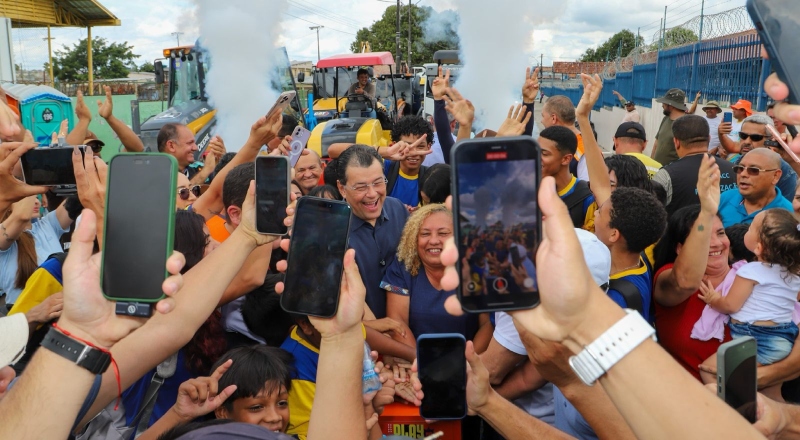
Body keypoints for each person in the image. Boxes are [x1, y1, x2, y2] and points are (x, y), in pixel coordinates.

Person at [698, 209, 800, 399]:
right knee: (772, 394)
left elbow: (730, 305)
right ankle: (778, 425)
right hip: (783, 339)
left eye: (751, 228)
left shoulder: (750, 271)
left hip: (757, 340)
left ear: (759, 248)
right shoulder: (794, 274)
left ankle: (738, 414)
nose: (747, 229)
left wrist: (713, 299)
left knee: (710, 371)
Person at [383, 204, 483, 344]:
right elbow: (397, 323)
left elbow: (487, 326)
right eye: (425, 234)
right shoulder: (402, 268)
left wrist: (468, 363)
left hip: (468, 360)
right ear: (414, 239)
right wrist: (420, 361)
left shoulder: (474, 269)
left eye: (443, 233)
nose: (434, 241)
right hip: (415, 360)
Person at [335, 145, 409, 318]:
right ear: (341, 188)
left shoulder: (397, 209)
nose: (372, 194)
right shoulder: (331, 230)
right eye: (361, 187)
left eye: (378, 182)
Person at [652, 115, 737, 216]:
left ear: (676, 142)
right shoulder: (735, 170)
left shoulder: (666, 176)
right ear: (709, 139)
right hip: (727, 231)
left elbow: (652, 213)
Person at [727, 114, 798, 202]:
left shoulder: (785, 170)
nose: (747, 141)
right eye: (743, 136)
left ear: (770, 140)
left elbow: (787, 211)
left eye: (756, 137)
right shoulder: (734, 162)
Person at [538, 125, 596, 231]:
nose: (537, 157)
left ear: (566, 159)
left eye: (544, 154)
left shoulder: (587, 198)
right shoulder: (529, 190)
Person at [718, 148, 794, 227]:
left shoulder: (789, 215)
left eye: (753, 170)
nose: (743, 174)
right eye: (740, 168)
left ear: (775, 176)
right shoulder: (726, 197)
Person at [651, 88, 688, 166]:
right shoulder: (665, 119)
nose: (662, 106)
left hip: (672, 174)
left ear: (671, 105)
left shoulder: (685, 124)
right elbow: (656, 143)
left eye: (664, 103)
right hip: (656, 170)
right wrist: (651, 163)